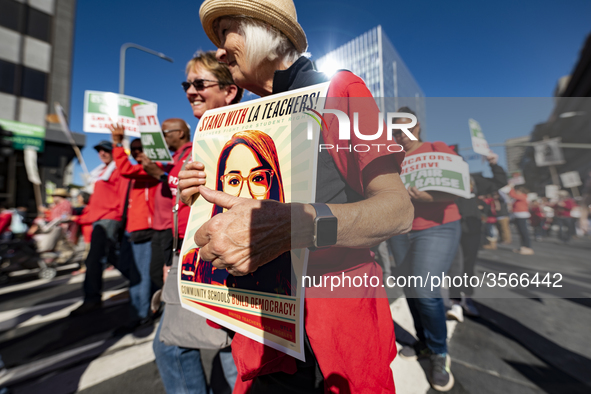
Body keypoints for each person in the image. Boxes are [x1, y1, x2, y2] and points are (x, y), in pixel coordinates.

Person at [179, 2, 413, 392]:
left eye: (226, 33)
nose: (220, 51)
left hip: (334, 335)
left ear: (265, 34)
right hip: (260, 331)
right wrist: (200, 194)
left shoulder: (339, 90)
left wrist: (297, 226)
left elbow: (397, 210)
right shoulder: (241, 123)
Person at [149, 52, 242, 394]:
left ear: (229, 91)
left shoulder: (235, 137)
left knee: (231, 354)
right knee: (182, 346)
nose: (190, 90)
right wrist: (172, 261)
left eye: (200, 83)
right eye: (187, 83)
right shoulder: (200, 141)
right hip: (187, 257)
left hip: (220, 259)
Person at [385, 107, 461, 391]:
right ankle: (425, 343)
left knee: (426, 291)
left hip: (438, 226)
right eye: (394, 131)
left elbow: (460, 185)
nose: (399, 136)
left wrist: (427, 196)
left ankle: (440, 352)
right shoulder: (391, 160)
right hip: (402, 231)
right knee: (411, 290)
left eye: (404, 129)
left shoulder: (436, 148)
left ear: (417, 129)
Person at [182, 130, 293, 295]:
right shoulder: (194, 262)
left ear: (275, 183)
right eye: (233, 181)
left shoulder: (298, 258)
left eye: (258, 178)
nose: (245, 193)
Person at [110, 133, 161, 327]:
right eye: (135, 149)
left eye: (142, 148)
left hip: (145, 229)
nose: (138, 152)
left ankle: (140, 315)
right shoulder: (135, 173)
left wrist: (117, 143)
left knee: (140, 274)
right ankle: (148, 305)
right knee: (133, 270)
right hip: (129, 229)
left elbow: (124, 168)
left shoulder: (152, 169)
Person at [70, 140, 126, 315]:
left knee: (94, 259)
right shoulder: (98, 173)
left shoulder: (118, 170)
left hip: (109, 218)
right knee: (112, 256)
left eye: (106, 150)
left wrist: (119, 217)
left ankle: (92, 299)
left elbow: (123, 196)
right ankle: (147, 284)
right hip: (99, 219)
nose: (102, 153)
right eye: (99, 150)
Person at [509, 185, 534, 255]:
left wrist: (511, 188)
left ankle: (528, 247)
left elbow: (512, 195)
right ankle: (523, 246)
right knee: (521, 232)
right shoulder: (521, 197)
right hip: (518, 216)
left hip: (522, 216)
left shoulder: (523, 196)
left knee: (524, 232)